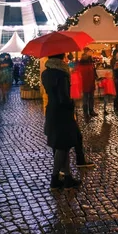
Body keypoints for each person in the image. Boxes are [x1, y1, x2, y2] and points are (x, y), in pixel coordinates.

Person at [41, 53, 81, 189]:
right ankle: (55, 178)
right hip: (62, 112)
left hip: (52, 110)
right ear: (60, 59)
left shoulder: (46, 73)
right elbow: (63, 97)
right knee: (62, 147)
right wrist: (71, 104)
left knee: (62, 146)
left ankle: (68, 177)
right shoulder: (62, 74)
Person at [76, 50, 97, 118]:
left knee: (86, 98)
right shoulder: (89, 65)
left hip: (85, 84)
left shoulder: (80, 66)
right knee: (90, 98)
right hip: (89, 84)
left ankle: (87, 112)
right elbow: (91, 75)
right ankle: (90, 111)